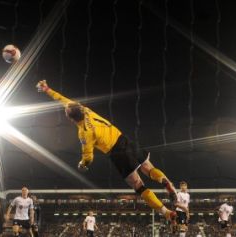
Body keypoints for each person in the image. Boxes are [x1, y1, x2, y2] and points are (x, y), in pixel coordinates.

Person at [37, 80, 178, 222]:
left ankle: (165, 211)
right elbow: (63, 100)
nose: (65, 108)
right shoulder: (85, 110)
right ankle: (166, 182)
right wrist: (48, 89)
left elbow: (88, 157)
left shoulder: (84, 132)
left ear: (71, 119)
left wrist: (82, 164)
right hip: (124, 139)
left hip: (117, 153)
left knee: (138, 186)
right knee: (149, 168)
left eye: (66, 111)